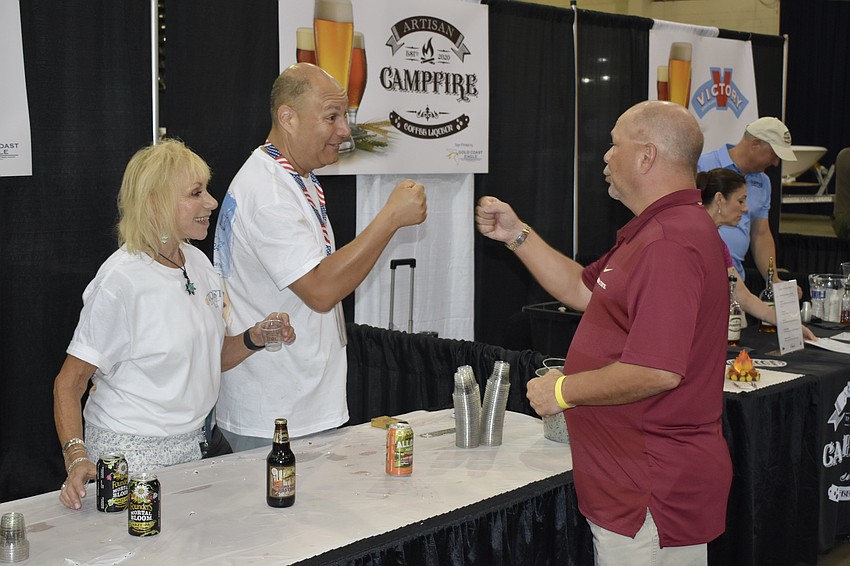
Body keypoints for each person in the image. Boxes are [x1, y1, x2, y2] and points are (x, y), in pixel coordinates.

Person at [476, 101, 732, 565]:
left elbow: (656, 370)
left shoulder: (670, 243)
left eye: (615, 144)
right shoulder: (653, 231)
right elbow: (583, 288)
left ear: (646, 156)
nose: (605, 157)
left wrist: (563, 390)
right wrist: (517, 236)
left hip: (651, 491)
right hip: (634, 483)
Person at [54, 140, 295, 510]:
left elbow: (208, 358)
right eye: (196, 193)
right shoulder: (121, 282)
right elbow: (69, 384)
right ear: (155, 203)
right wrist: (76, 457)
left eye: (207, 191)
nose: (212, 203)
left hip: (198, 447)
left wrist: (255, 337)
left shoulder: (198, 263)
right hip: (132, 460)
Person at [213, 63, 426, 449]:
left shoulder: (295, 177)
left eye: (343, 115)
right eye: (331, 116)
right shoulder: (269, 194)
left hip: (297, 402)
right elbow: (321, 290)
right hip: (276, 413)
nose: (345, 129)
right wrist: (389, 219)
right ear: (288, 118)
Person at [698, 168, 816, 341]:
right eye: (741, 201)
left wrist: (785, 322)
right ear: (719, 199)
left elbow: (743, 295)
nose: (746, 209)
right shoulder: (695, 238)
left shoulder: (717, 243)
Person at [698, 117, 796, 286]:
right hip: (701, 275)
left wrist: (773, 280)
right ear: (755, 143)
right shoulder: (701, 166)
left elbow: (761, 234)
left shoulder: (764, 182)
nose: (775, 162)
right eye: (773, 154)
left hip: (735, 278)